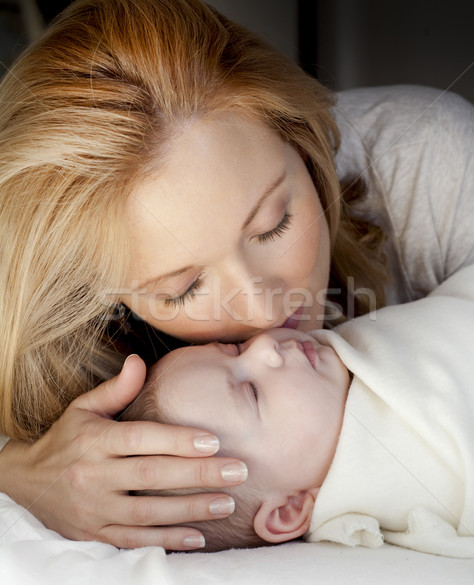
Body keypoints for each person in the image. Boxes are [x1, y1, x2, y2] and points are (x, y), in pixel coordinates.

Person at [0, 0, 472, 550]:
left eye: (275, 226)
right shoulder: (59, 332)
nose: (266, 314)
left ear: (305, 142)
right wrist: (24, 474)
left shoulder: (426, 160)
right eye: (185, 289)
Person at [123, 264, 474, 557]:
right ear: (289, 509)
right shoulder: (418, 471)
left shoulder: (344, 353)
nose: (264, 346)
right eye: (254, 393)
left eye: (235, 347)